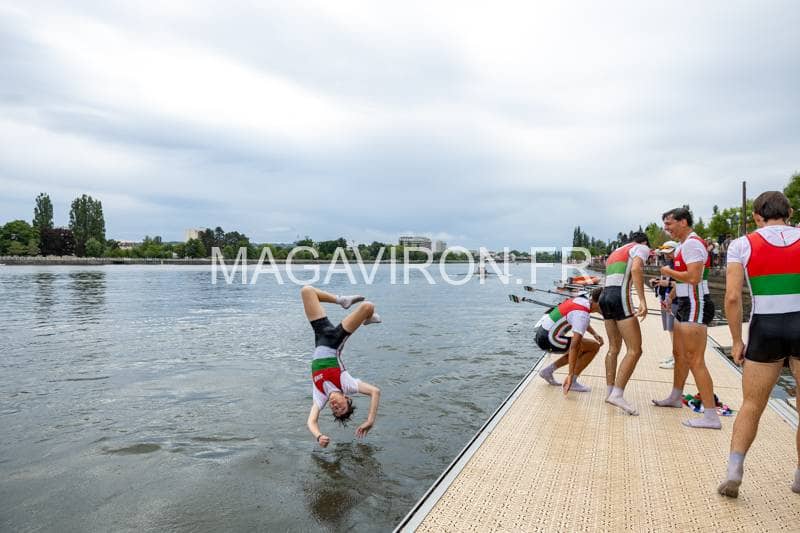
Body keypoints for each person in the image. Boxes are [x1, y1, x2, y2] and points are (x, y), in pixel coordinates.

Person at [717, 191, 800, 498]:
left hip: (765, 328)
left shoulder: (742, 245)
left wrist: (737, 341)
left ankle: (734, 470)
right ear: (790, 212)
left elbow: (732, 297)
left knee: (752, 404)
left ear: (756, 216)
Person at [652, 207, 720, 429]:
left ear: (683, 222)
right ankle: (675, 396)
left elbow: (693, 277)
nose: (666, 229)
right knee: (679, 355)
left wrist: (667, 271)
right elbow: (684, 281)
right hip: (684, 303)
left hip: (696, 304)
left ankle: (711, 416)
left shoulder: (692, 244)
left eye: (669, 224)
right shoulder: (683, 245)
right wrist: (670, 296)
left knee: (695, 359)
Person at [302, 285, 382, 447]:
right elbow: (375, 391)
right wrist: (370, 420)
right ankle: (368, 316)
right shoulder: (346, 385)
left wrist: (318, 436)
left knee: (307, 291)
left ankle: (341, 301)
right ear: (347, 398)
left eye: (334, 410)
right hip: (334, 341)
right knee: (368, 306)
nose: (335, 407)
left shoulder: (320, 396)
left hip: (321, 335)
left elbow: (311, 421)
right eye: (341, 408)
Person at [598, 232, 650, 415]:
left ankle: (609, 391)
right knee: (635, 350)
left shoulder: (615, 251)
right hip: (619, 296)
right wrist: (642, 300)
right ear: (645, 242)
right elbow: (636, 270)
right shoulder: (641, 247)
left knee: (613, 348)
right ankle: (617, 394)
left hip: (604, 297)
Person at [536, 288, 605, 394]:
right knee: (593, 347)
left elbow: (579, 321)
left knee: (583, 346)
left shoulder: (582, 300)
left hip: (542, 335)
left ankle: (547, 371)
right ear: (600, 303)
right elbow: (574, 346)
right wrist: (570, 374)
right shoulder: (582, 314)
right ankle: (572, 382)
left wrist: (594, 333)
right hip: (549, 340)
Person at [649, 241, 679, 369]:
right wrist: (657, 282)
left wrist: (667, 284)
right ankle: (674, 355)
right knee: (670, 329)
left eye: (669, 253)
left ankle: (677, 358)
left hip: (675, 300)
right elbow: (668, 281)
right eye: (665, 253)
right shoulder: (668, 264)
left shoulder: (678, 265)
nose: (666, 255)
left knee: (674, 330)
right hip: (666, 298)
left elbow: (681, 283)